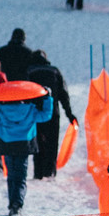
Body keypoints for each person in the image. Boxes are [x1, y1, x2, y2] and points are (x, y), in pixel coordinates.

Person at [0, 88, 53, 216]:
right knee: (20, 176)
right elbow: (45, 115)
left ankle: (12, 204)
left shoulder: (0, 110)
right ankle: (17, 206)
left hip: (7, 144)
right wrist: (48, 98)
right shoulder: (30, 109)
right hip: (24, 144)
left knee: (11, 175)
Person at [26, 50, 76, 179]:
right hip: (53, 112)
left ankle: (38, 172)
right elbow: (63, 94)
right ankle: (50, 172)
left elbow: (24, 94)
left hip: (35, 114)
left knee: (38, 143)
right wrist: (69, 114)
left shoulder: (29, 71)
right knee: (52, 143)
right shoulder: (54, 71)